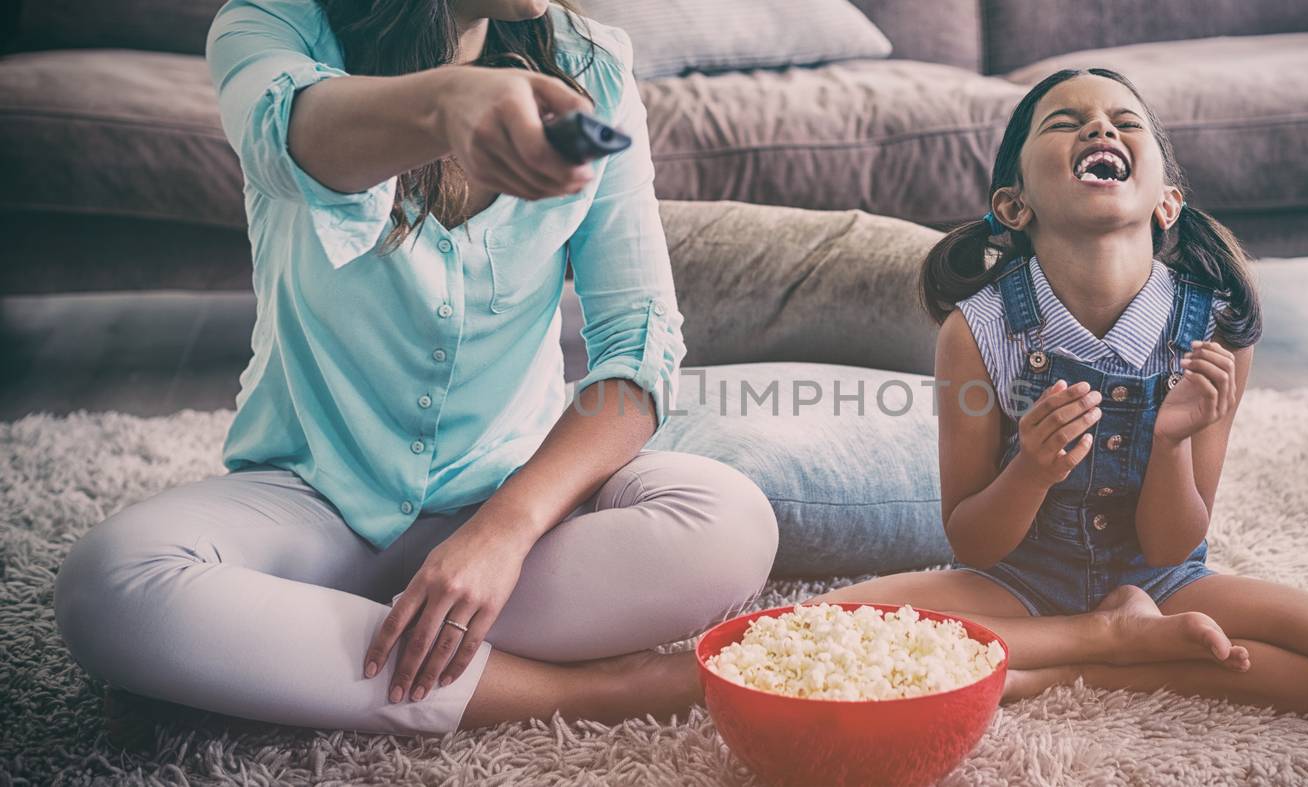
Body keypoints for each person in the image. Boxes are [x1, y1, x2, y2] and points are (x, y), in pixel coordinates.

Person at [53, 0, 777, 736]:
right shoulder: (270, 24)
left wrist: (506, 528)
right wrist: (445, 103)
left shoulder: (592, 65)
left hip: (508, 506)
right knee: (109, 584)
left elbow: (640, 347)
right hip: (309, 502)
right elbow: (285, 138)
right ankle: (597, 691)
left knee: (731, 521)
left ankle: (285, 652)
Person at [808, 68, 1308, 721]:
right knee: (818, 628)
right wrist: (1031, 470)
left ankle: (1065, 666)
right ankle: (1108, 643)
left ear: (1168, 202)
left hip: (1162, 583)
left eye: (1125, 123)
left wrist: (1170, 442)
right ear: (1015, 205)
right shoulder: (976, 331)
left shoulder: (1217, 332)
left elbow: (1170, 546)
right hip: (1016, 584)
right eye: (1065, 122)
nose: (1099, 126)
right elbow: (974, 542)